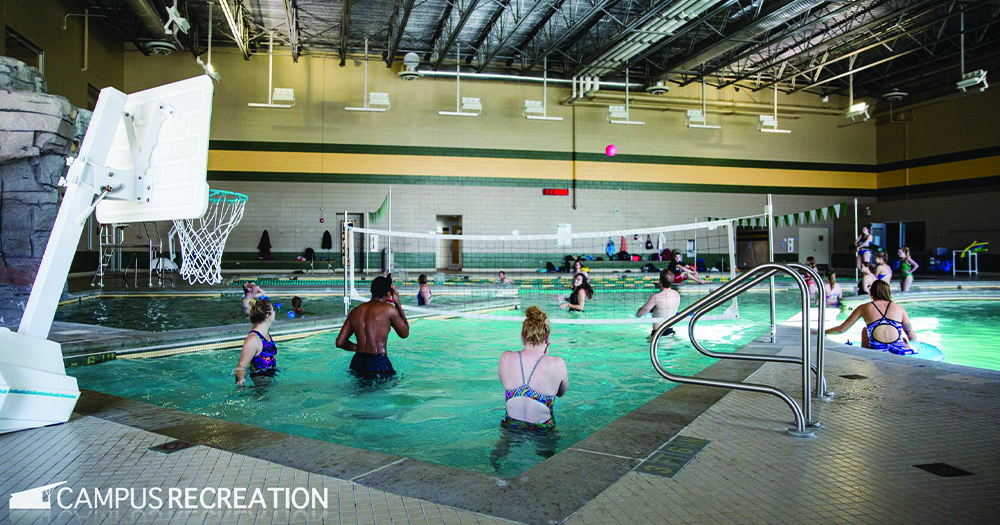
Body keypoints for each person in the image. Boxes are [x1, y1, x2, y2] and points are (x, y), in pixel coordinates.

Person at [497, 306, 568, 430]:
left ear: (522, 336)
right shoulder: (558, 363)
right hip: (543, 429)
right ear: (547, 338)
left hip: (512, 426)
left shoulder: (505, 358)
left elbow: (503, 380)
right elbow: (561, 393)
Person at [335, 276, 410, 379]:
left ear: (371, 291)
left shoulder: (355, 311)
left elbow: (340, 342)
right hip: (378, 362)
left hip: (358, 362)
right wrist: (397, 302)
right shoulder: (389, 310)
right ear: (388, 293)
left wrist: (359, 347)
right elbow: (404, 333)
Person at [824, 280, 917, 355]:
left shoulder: (864, 307)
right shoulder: (899, 308)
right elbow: (912, 337)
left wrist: (823, 332)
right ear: (888, 293)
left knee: (865, 330)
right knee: (903, 339)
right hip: (898, 352)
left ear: (871, 293)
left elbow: (841, 329)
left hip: (876, 353)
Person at [235, 299, 277, 387]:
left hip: (269, 379)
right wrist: (241, 380)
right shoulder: (254, 339)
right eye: (273, 310)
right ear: (267, 315)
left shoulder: (266, 334)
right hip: (261, 384)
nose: (275, 312)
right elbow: (241, 366)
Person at [636, 269, 680, 337]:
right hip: (670, 332)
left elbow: (639, 314)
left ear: (660, 281)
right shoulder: (677, 295)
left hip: (658, 333)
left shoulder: (656, 297)